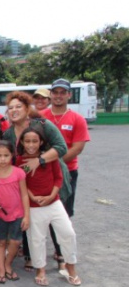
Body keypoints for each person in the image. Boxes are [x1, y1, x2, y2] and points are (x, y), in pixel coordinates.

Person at [2, 91, 69, 272]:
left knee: (55, 219)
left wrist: (39, 161)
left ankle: (62, 255)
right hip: (26, 184)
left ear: (27, 108)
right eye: (10, 108)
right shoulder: (8, 134)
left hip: (50, 179)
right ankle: (31, 256)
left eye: (18, 106)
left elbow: (61, 147)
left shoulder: (43, 125)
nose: (14, 110)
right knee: (27, 218)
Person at [15, 128, 80, 286]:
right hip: (33, 206)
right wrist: (32, 197)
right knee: (37, 239)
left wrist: (51, 196)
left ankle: (70, 267)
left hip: (54, 203)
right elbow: (21, 183)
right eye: (27, 141)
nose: (31, 145)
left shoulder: (49, 158)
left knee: (68, 233)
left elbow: (58, 178)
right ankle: (40, 269)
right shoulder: (19, 161)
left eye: (35, 141)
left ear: (41, 142)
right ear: (22, 142)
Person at [0, 140, 29, 284]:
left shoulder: (19, 173)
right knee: (0, 242)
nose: (2, 159)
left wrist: (27, 216)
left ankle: (8, 264)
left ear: (12, 155)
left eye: (6, 155)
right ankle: (1, 269)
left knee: (15, 241)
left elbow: (24, 194)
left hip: (17, 214)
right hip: (0, 215)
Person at [41, 78, 90, 218]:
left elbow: (77, 148)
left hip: (67, 171)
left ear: (69, 95)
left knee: (64, 211)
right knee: (41, 210)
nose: (58, 96)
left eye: (63, 92)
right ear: (50, 94)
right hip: (43, 170)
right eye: (55, 92)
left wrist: (54, 162)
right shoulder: (40, 116)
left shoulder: (78, 119)